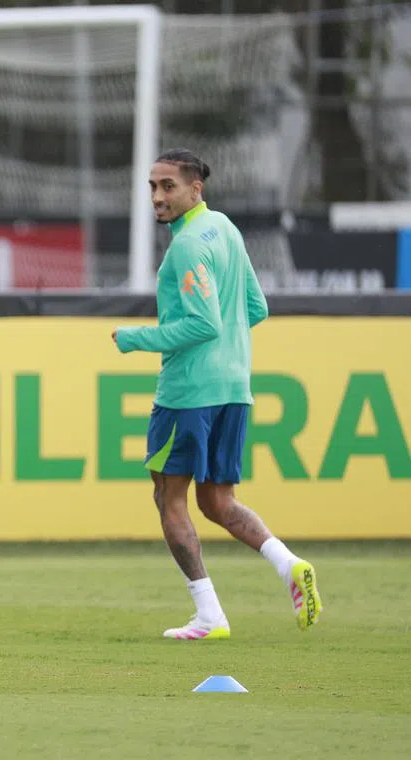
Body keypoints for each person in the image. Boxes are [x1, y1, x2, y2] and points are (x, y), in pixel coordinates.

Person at [112, 148, 323, 640]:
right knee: (218, 500)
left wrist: (135, 338)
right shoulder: (225, 228)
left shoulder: (186, 246)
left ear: (195, 189)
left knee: (169, 497)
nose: (158, 196)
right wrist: (227, 347)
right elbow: (256, 307)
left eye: (168, 186)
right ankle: (287, 563)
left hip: (188, 393)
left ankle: (209, 614)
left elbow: (201, 323)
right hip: (234, 387)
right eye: (153, 186)